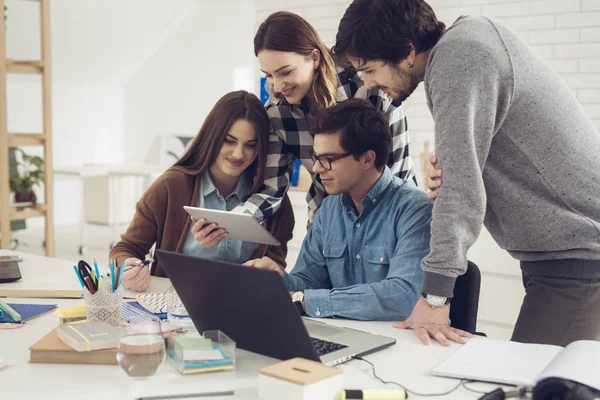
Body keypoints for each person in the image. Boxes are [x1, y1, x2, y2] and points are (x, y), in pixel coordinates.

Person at [333, 0, 600, 346]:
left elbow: (461, 192)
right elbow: (470, 170)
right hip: (559, 254)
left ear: (407, 51)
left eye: (369, 69)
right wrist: (459, 167)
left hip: (580, 253)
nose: (368, 84)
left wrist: (435, 297)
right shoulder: (466, 45)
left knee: (539, 388)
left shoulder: (460, 58)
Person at [246, 99, 432, 321]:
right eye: (316, 158)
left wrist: (304, 300)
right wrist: (280, 279)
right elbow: (309, 282)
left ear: (367, 159)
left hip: (404, 344)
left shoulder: (416, 210)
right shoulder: (329, 209)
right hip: (347, 335)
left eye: (328, 160)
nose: (316, 168)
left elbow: (402, 297)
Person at [232, 11, 415, 226]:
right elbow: (271, 189)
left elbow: (397, 174)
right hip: (328, 223)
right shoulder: (277, 113)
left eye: (286, 72)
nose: (278, 86)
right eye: (269, 75)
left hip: (392, 217)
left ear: (315, 58)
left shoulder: (370, 87)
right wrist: (234, 220)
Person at [109, 91, 295, 292]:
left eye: (251, 145)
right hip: (173, 306)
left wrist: (272, 271)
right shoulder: (170, 186)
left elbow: (276, 265)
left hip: (241, 304)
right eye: (229, 141)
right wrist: (128, 270)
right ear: (212, 136)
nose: (238, 154)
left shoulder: (274, 202)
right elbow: (124, 249)